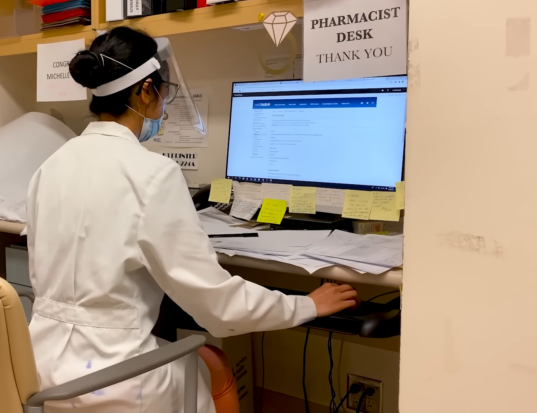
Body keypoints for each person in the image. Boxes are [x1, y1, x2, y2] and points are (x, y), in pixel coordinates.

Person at [26, 26, 359, 413]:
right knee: (206, 364)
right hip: (113, 381)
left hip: (41, 371)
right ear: (145, 91)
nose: (165, 102)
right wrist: (306, 304)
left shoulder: (50, 165)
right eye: (163, 89)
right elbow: (217, 307)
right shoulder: (152, 173)